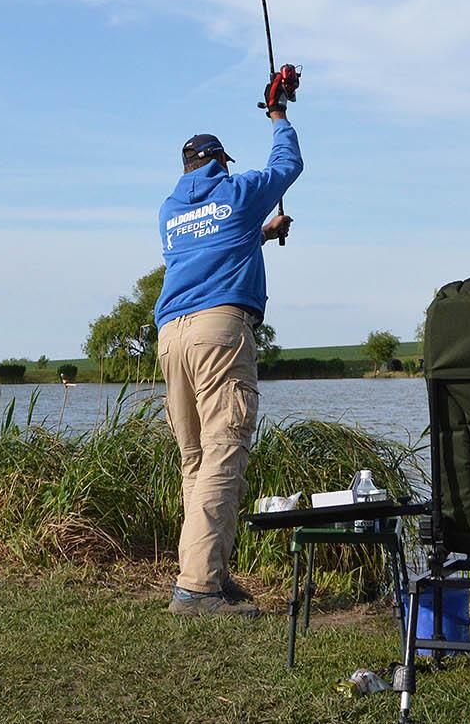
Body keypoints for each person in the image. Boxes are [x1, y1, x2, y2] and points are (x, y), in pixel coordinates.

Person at [155, 73, 301, 617]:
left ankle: (204, 576)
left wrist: (260, 234)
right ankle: (197, 590)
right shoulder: (237, 192)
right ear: (221, 164)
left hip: (172, 336)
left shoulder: (170, 213)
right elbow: (288, 165)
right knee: (224, 450)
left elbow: (211, 246)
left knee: (195, 458)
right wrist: (277, 114)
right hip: (219, 330)